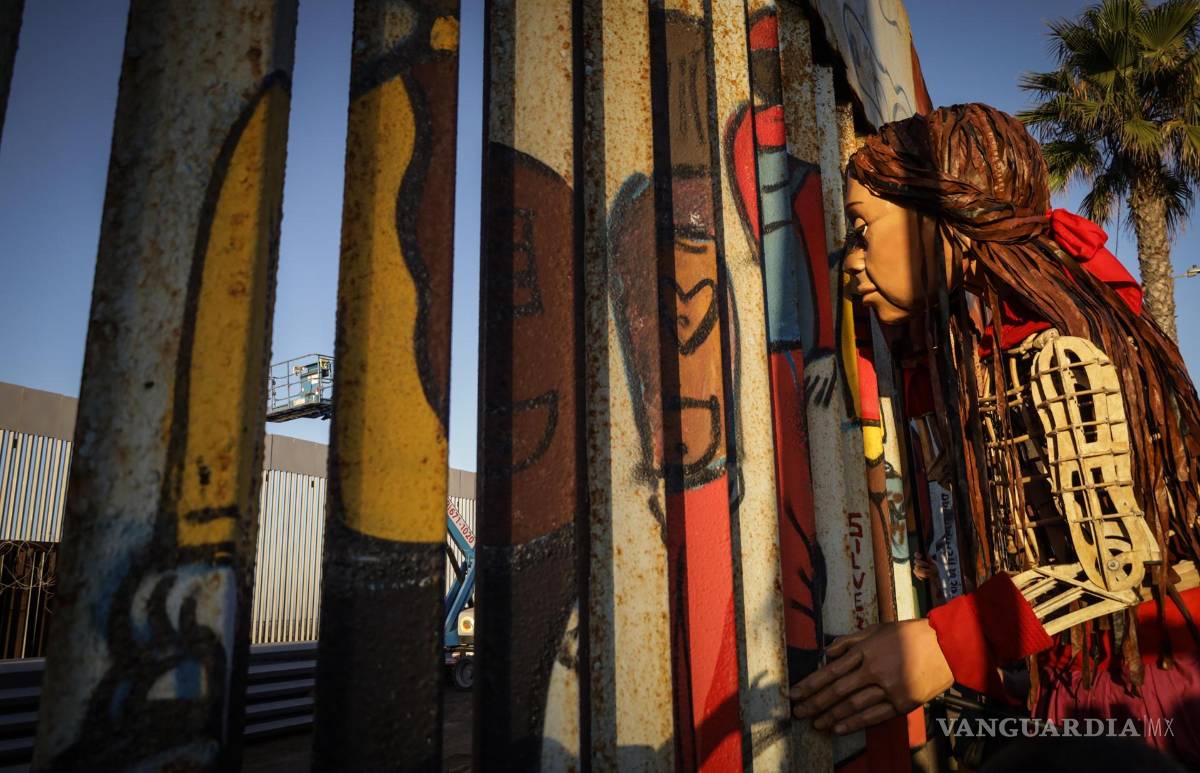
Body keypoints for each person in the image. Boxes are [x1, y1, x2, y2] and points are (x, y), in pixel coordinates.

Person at [789, 103, 1200, 766]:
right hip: (1092, 676)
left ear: (944, 215)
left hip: (1135, 690)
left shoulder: (1053, 348)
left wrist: (944, 644)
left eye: (863, 231)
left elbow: (1118, 563)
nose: (852, 263)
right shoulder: (993, 341)